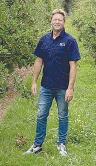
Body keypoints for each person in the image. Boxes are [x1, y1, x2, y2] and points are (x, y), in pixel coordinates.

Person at [24, 9, 81, 156]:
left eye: (60, 20)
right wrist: (34, 82)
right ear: (51, 21)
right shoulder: (44, 39)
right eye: (55, 19)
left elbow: (73, 66)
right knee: (41, 114)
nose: (57, 22)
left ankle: (61, 144)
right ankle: (37, 145)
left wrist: (70, 88)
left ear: (64, 22)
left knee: (63, 115)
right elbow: (38, 61)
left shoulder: (70, 41)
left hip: (62, 86)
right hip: (46, 86)